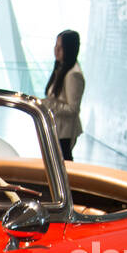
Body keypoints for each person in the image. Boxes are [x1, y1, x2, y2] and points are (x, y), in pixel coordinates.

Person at [41, 30, 84, 161]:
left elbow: (73, 108)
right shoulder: (61, 68)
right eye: (56, 46)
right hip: (57, 129)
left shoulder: (73, 74)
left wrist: (48, 104)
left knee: (62, 163)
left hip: (64, 132)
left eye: (61, 47)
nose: (56, 50)